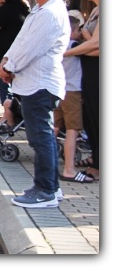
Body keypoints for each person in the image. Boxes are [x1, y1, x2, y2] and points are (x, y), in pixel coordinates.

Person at [0, 0, 70, 208]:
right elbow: (21, 41)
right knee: (41, 137)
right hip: (31, 82)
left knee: (40, 138)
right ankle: (51, 187)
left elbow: (32, 48)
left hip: (40, 84)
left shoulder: (50, 13)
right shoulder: (42, 10)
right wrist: (6, 61)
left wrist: (10, 67)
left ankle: (45, 190)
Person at [63, 0, 100, 181]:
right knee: (90, 118)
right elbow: (90, 41)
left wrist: (67, 52)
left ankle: (99, 163)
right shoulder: (95, 11)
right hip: (87, 69)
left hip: (97, 71)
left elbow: (97, 45)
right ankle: (96, 158)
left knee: (97, 116)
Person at [55, 16, 92, 183]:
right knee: (72, 130)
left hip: (59, 91)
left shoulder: (57, 45)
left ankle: (48, 162)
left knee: (55, 128)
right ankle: (69, 169)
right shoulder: (74, 46)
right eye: (78, 30)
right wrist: (87, 34)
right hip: (73, 92)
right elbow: (95, 46)